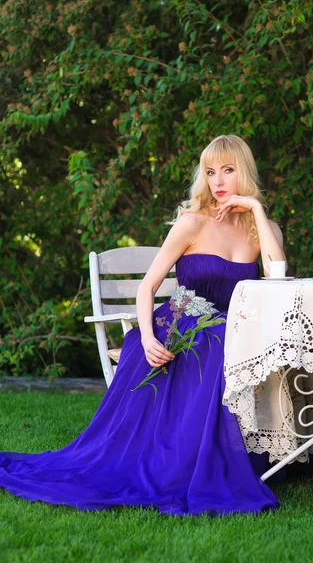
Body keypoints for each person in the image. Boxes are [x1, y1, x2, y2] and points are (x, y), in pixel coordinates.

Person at [0, 135, 286, 516]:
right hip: (179, 323)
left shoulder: (262, 228)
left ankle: (246, 455)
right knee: (217, 342)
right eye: (211, 172)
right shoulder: (192, 222)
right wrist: (149, 337)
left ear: (245, 172)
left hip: (232, 327)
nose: (218, 181)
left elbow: (278, 277)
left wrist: (254, 209)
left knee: (232, 340)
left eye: (228, 171)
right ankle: (191, 462)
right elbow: (148, 287)